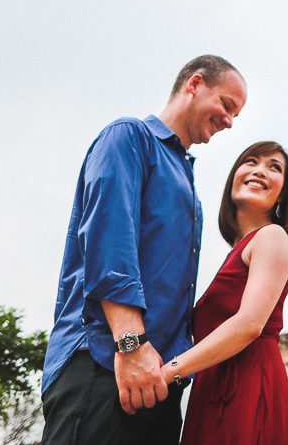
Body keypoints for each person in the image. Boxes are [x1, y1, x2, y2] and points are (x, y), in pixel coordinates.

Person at [41, 55, 248, 445]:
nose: (230, 121)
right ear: (195, 84)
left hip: (159, 381)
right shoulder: (129, 137)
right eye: (226, 105)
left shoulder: (187, 179)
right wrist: (131, 346)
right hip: (107, 363)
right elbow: (110, 240)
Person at [167, 140, 288, 445]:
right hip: (214, 389)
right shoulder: (240, 249)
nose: (260, 170)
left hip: (249, 388)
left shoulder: (272, 237)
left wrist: (168, 372)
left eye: (274, 167)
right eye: (251, 161)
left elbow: (249, 324)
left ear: (283, 196)